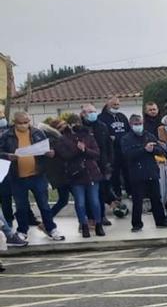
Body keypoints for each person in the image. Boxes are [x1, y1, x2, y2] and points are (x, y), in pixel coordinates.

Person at [0, 112, 65, 241]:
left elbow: (47, 147)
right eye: (21, 123)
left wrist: (50, 153)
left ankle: (51, 228)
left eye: (26, 122)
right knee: (21, 206)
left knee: (44, 205)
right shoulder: (7, 136)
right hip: (17, 176)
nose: (24, 125)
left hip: (38, 175)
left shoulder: (37, 133)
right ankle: (22, 231)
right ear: (14, 122)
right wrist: (8, 155)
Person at [56, 113, 105, 237]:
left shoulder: (88, 136)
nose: (76, 126)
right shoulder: (63, 138)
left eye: (78, 123)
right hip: (76, 175)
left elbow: (96, 153)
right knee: (80, 202)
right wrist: (77, 149)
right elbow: (64, 156)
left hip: (91, 173)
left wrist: (85, 150)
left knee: (94, 201)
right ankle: (84, 226)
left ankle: (98, 224)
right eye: (73, 124)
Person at [120, 114, 167, 231]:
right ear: (131, 125)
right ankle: (137, 224)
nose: (139, 126)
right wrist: (144, 149)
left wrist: (153, 149)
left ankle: (160, 221)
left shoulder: (149, 135)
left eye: (140, 124)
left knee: (156, 199)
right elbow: (127, 155)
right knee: (138, 201)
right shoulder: (126, 139)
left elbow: (161, 150)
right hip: (137, 174)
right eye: (136, 124)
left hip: (151, 171)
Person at [81, 103, 114, 227]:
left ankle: (101, 216)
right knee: (86, 195)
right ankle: (89, 218)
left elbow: (109, 146)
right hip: (85, 166)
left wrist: (110, 163)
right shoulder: (80, 128)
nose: (92, 114)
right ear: (83, 114)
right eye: (89, 112)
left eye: (94, 111)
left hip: (101, 164)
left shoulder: (102, 126)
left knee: (101, 192)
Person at [97, 96, 130, 202]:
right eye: (114, 105)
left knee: (127, 172)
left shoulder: (122, 116)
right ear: (108, 105)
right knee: (114, 173)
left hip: (124, 149)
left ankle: (130, 192)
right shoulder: (102, 117)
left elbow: (128, 130)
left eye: (117, 105)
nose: (116, 107)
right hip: (111, 150)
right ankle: (117, 193)